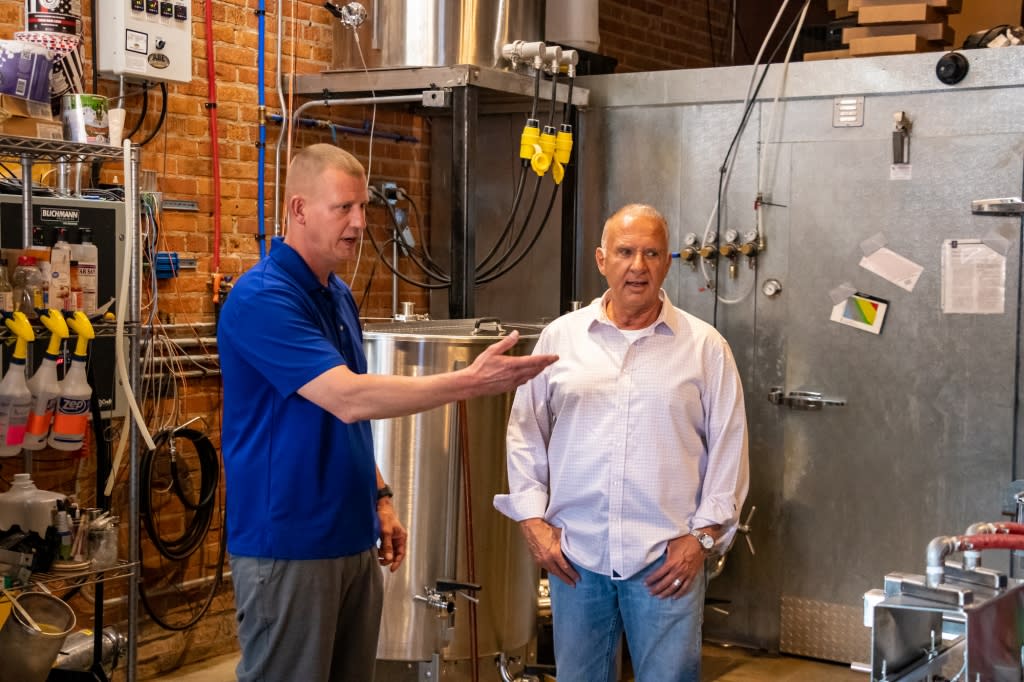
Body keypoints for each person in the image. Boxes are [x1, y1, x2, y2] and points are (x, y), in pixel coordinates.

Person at [217, 143, 558, 682]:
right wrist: (468, 383)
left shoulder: (338, 295)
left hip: (350, 536)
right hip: (289, 544)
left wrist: (378, 497)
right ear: (299, 209)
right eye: (343, 209)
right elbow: (349, 398)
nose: (358, 223)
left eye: (363, 208)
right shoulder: (262, 298)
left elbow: (345, 420)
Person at [494, 203, 749, 682]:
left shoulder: (704, 347)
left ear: (668, 262)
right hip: (577, 558)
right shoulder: (560, 338)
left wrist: (701, 539)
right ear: (601, 259)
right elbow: (526, 434)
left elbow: (730, 450)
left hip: (666, 561)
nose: (638, 266)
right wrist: (532, 521)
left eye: (651, 253)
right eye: (625, 252)